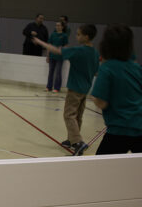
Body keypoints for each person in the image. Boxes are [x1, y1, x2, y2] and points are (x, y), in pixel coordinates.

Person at [33, 24, 100, 156]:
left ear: (86, 37)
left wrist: (40, 42)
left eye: (79, 34)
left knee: (69, 115)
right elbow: (96, 72)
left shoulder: (79, 50)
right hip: (85, 89)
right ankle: (72, 139)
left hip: (75, 88)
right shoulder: (95, 53)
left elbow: (57, 51)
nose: (76, 36)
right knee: (78, 115)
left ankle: (78, 142)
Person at [91, 24, 142, 154]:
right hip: (139, 126)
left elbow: (101, 102)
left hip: (119, 130)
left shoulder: (107, 68)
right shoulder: (136, 67)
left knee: (102, 168)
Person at [45, 21, 68, 93]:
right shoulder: (53, 34)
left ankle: (57, 88)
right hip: (52, 56)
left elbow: (66, 46)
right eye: (56, 25)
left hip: (60, 57)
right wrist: (48, 56)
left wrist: (62, 50)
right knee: (50, 72)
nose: (57, 27)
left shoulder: (64, 35)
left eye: (59, 25)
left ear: (62, 27)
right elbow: (49, 45)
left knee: (58, 72)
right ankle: (49, 87)